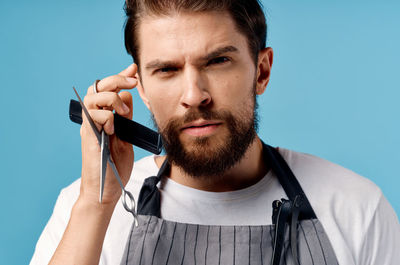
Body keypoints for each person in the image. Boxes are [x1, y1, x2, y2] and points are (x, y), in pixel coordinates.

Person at [30, 0, 400, 264]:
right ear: (140, 88)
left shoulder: (356, 209)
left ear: (262, 71)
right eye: (167, 70)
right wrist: (97, 205)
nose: (194, 96)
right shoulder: (89, 212)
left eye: (218, 61)